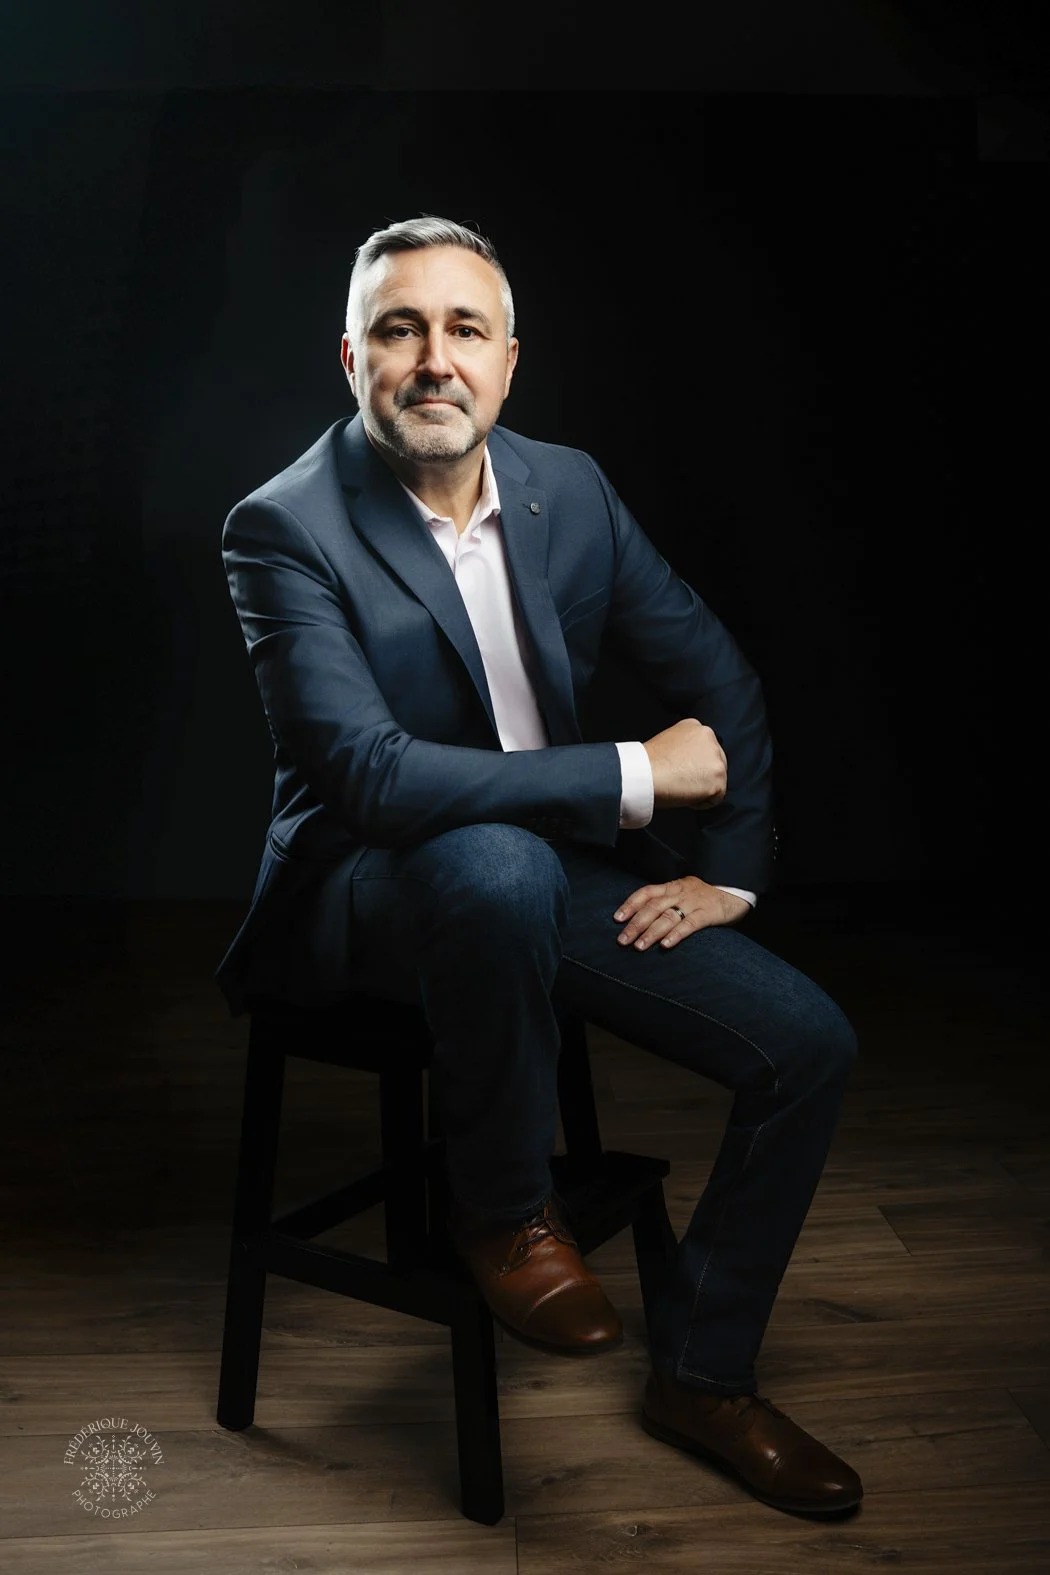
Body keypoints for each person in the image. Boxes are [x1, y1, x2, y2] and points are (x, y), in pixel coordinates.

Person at [216, 215, 862, 1516]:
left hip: (537, 874)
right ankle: (503, 1209)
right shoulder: (282, 528)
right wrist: (634, 775)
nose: (432, 356)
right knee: (496, 869)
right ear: (351, 358)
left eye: (463, 328)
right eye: (399, 328)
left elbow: (718, 677)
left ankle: (701, 1372)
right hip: (364, 886)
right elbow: (377, 779)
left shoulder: (568, 489)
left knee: (809, 1045)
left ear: (508, 362)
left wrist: (729, 873)